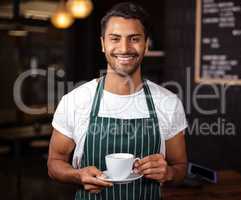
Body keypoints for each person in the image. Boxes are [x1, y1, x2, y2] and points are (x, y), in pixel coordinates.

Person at [47, 2, 188, 200]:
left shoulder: (169, 103)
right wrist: (77, 175)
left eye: (134, 39)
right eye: (115, 39)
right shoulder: (75, 100)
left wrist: (170, 173)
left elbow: (181, 168)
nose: (124, 48)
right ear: (103, 44)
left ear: (146, 44)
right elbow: (54, 163)